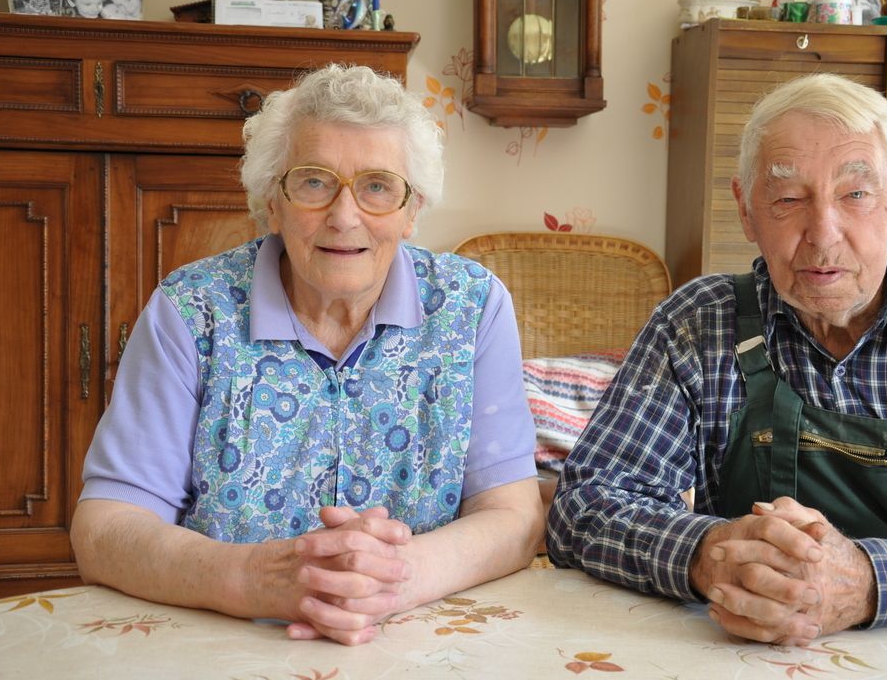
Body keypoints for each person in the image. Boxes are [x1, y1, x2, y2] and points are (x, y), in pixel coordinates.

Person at [546, 73, 887, 645]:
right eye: (787, 198)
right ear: (746, 208)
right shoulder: (697, 323)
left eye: (855, 194)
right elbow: (586, 504)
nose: (822, 234)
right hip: (748, 662)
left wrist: (866, 582)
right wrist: (707, 556)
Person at [72, 64, 544, 645]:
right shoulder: (193, 311)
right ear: (273, 201)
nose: (345, 217)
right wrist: (253, 579)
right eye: (315, 182)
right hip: (221, 646)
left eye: (377, 186)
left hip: (416, 644)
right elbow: (104, 529)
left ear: (412, 210)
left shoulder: (473, 309)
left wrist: (390, 581)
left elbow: (515, 518)